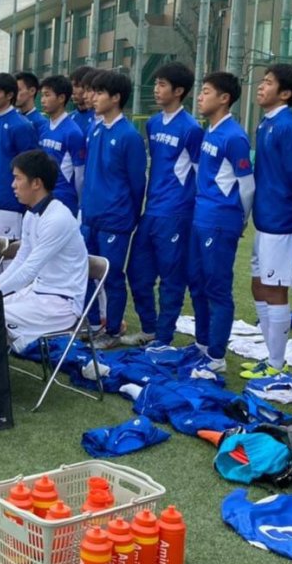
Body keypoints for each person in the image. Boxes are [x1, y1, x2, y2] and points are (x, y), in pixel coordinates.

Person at [125, 61, 202, 349]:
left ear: (178, 91)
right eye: (156, 84)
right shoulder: (153, 123)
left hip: (176, 214)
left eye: (162, 85)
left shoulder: (192, 129)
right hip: (152, 210)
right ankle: (149, 328)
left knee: (171, 278)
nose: (156, 89)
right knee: (137, 273)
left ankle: (164, 338)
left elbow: (199, 174)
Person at [242, 63, 292, 382]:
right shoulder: (266, 123)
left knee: (274, 289)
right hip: (266, 220)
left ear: (285, 93)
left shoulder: (288, 127)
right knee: (260, 285)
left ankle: (276, 363)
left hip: (283, 224)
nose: (261, 86)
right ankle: (270, 356)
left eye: (268, 82)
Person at [0, 149, 89, 352]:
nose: (13, 185)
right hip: (37, 293)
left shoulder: (57, 218)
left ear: (36, 183)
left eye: (18, 178)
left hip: (62, 303)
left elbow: (30, 269)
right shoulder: (32, 214)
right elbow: (22, 258)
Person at [188, 71, 254, 379]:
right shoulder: (210, 131)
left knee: (217, 288)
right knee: (197, 282)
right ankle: (202, 345)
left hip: (219, 221)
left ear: (224, 98)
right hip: (201, 216)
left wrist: (241, 219)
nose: (200, 97)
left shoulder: (234, 137)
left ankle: (216, 356)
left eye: (206, 92)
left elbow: (247, 186)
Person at [80, 69, 146, 347]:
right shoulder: (95, 129)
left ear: (116, 97)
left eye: (99, 92)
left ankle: (113, 331)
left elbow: (137, 182)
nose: (92, 97)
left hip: (115, 220)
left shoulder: (129, 136)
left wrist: (128, 216)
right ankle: (93, 323)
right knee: (84, 271)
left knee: (112, 276)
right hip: (90, 216)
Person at [0, 72, 38, 240]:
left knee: (6, 252)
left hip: (9, 203)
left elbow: (30, 165)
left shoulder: (21, 125)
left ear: (10, 95)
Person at [36, 74, 86, 217]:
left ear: (61, 98)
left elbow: (79, 175)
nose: (43, 100)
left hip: (64, 201)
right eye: (42, 95)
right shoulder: (43, 128)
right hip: (44, 197)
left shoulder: (73, 132)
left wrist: (79, 204)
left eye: (47, 95)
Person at [15, 71, 48, 137]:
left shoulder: (42, 123)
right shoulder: (10, 118)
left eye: (18, 90)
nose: (14, 94)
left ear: (32, 91)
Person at [69, 65, 97, 138]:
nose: (73, 91)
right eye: (72, 86)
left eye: (77, 86)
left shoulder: (100, 119)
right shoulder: (69, 117)